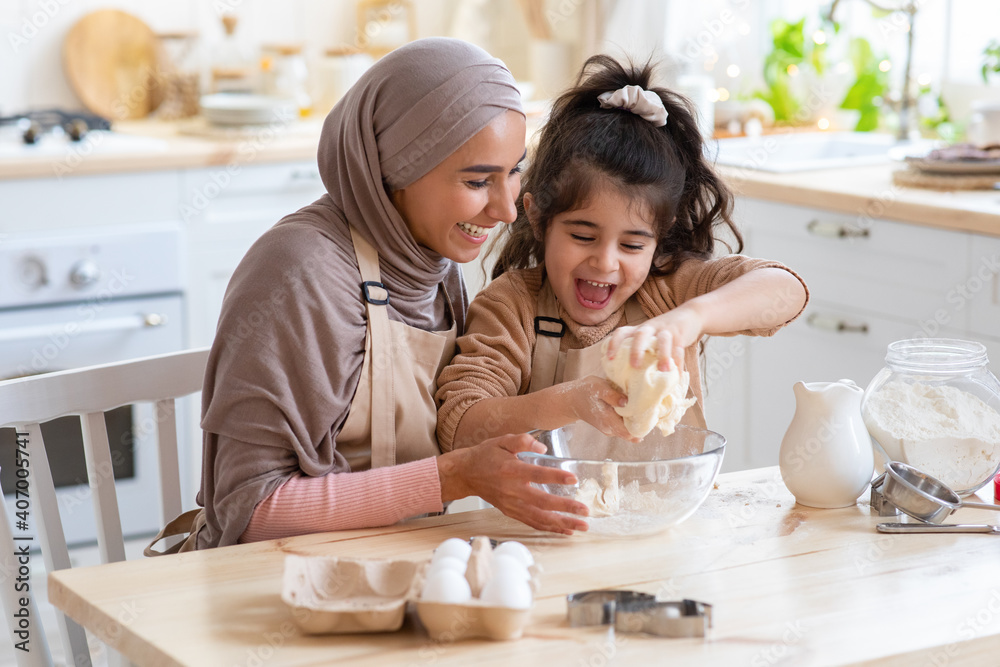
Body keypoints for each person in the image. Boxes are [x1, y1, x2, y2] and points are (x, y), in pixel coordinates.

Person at [156, 38, 593, 552]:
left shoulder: (433, 262)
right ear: (394, 172)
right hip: (270, 583)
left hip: (391, 569)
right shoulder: (300, 273)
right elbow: (247, 512)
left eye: (514, 170)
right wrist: (453, 477)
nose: (506, 210)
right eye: (477, 181)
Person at [435, 55, 810, 452]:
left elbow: (787, 292)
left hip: (667, 510)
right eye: (582, 235)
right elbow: (459, 427)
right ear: (538, 217)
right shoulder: (513, 307)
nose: (606, 262)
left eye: (632, 245)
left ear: (659, 238)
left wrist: (691, 318)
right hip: (536, 514)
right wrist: (569, 403)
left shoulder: (666, 289)